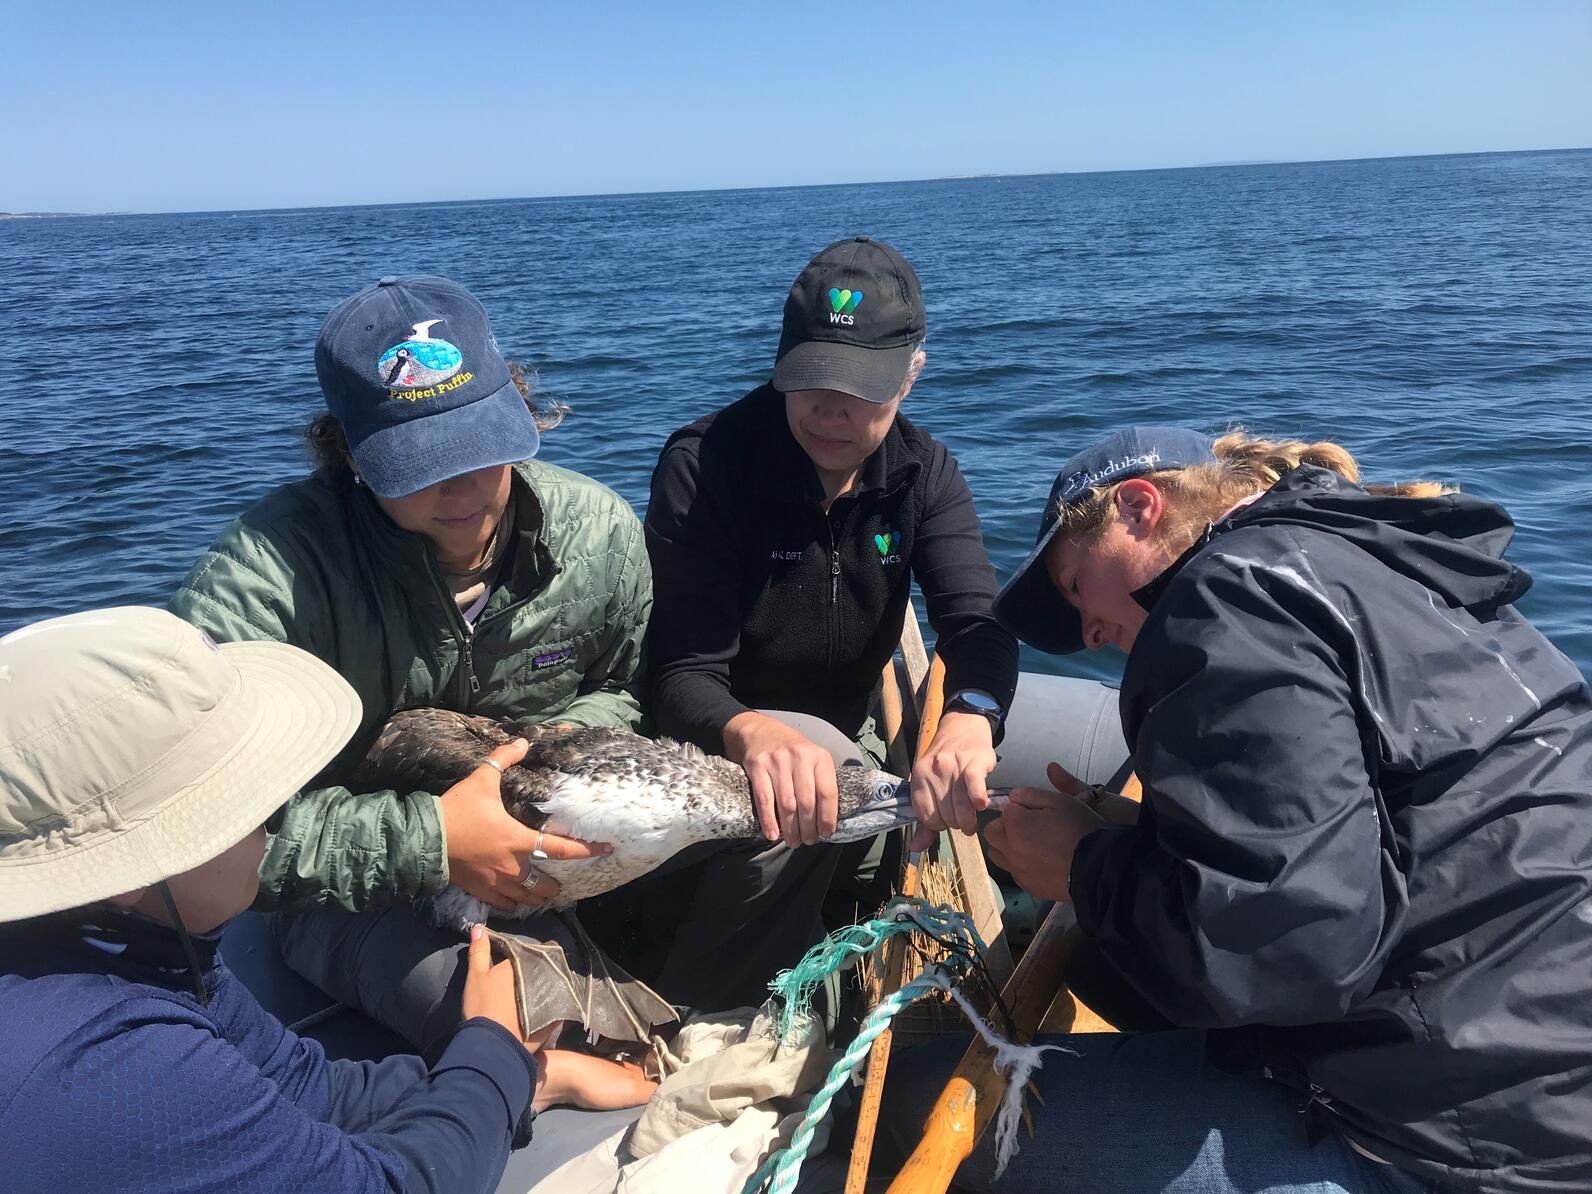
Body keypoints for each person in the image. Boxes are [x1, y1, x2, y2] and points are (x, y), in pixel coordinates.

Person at [891, 426, 1592, 1192]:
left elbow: (1291, 959)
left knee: (899, 1102)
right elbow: (1392, 824)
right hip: (1544, 1074)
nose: (1087, 631)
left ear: (1137, 507)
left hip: (1449, 1139)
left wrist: (1085, 869)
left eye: (1072, 588)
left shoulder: (1226, 598)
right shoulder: (1378, 556)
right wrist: (1148, 842)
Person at [167, 275, 666, 1074]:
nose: (464, 488)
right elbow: (199, 826)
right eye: (421, 463)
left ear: (519, 405)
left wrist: (567, 753)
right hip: (358, 885)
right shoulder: (265, 579)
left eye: (481, 446)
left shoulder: (600, 531)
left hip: (564, 831)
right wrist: (435, 842)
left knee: (772, 848)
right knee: (537, 1033)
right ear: (350, 454)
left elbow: (628, 685)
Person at [0, 606, 624, 1194]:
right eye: (259, 802)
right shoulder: (114, 1068)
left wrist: (520, 1077)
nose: (279, 822)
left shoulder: (134, 941)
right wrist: (491, 1042)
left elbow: (299, 1084)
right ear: (128, 868)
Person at [628, 237, 1020, 1010]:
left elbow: (977, 625)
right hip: (717, 739)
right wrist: (755, 734)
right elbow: (681, 674)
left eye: (861, 389)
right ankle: (715, 1018)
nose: (830, 412)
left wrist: (972, 719)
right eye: (810, 382)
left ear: (911, 376)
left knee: (844, 777)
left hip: (845, 738)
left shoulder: (924, 475)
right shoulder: (705, 467)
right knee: (811, 771)